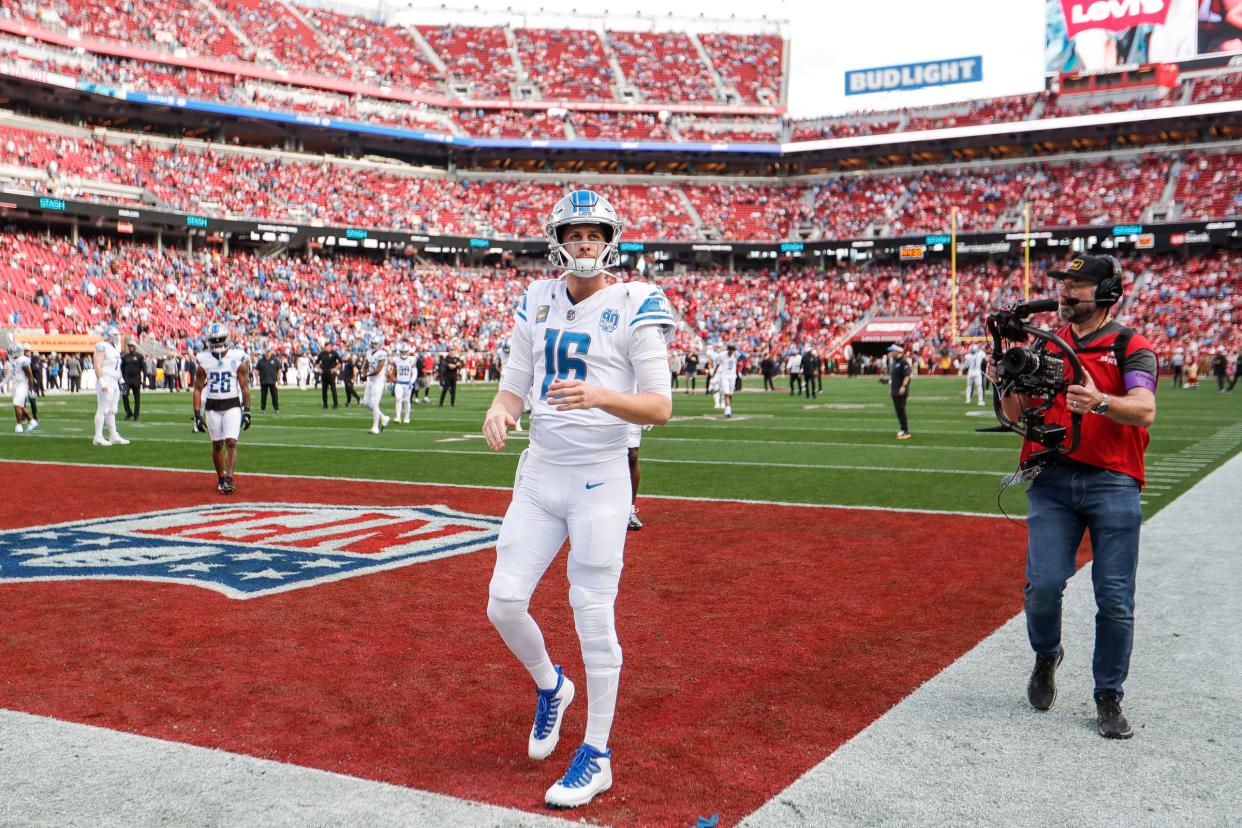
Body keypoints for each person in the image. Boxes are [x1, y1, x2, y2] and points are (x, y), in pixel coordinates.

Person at [481, 189, 674, 809]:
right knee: (504, 603)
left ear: (610, 239)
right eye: (576, 233)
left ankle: (597, 753)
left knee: (594, 617)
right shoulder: (536, 298)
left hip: (598, 475)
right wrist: (499, 410)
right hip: (540, 474)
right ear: (558, 239)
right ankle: (551, 686)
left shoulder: (636, 299)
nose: (585, 243)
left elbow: (660, 406)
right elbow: (516, 384)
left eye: (595, 233)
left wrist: (599, 398)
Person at [989, 254, 1157, 740]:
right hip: (1052, 479)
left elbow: (1144, 411)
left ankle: (1108, 694)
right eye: (1064, 283)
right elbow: (1012, 411)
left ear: (1107, 291)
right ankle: (1047, 655)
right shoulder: (1045, 344)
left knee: (1115, 598)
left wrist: (1101, 402)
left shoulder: (1131, 345)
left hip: (1114, 480)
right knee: (1041, 584)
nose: (1066, 292)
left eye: (1079, 285)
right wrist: (1006, 375)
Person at [192, 322, 251, 494]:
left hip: (232, 403)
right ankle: (221, 478)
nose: (217, 343)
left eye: (220, 339)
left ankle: (229, 478)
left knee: (231, 442)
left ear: (227, 339)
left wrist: (247, 410)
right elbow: (197, 388)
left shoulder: (237, 357)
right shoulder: (204, 359)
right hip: (212, 405)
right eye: (214, 340)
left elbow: (244, 387)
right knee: (217, 445)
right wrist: (197, 413)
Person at [92, 325, 128, 446]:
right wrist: (101, 380)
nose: (117, 337)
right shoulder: (102, 346)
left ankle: (113, 435)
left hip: (114, 381)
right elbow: (97, 364)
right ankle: (98, 436)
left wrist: (121, 380)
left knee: (113, 410)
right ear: (108, 336)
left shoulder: (114, 349)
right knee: (103, 409)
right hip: (106, 379)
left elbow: (116, 368)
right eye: (114, 335)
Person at [361, 336, 391, 434]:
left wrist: (367, 374)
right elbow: (366, 364)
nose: (373, 345)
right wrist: (363, 372)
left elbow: (378, 370)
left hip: (378, 380)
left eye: (375, 343)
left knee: (374, 403)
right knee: (366, 403)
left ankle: (375, 427)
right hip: (371, 379)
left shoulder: (382, 353)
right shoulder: (369, 352)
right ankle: (383, 417)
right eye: (372, 343)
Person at [8, 342, 35, 433]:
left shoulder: (23, 360)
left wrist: (31, 388)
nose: (12, 352)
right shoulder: (15, 360)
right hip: (16, 384)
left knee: (17, 403)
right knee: (21, 406)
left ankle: (19, 424)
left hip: (22, 384)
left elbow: (30, 375)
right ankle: (32, 421)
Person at [888, 343, 912, 439]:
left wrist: (903, 386)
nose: (891, 352)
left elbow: (907, 375)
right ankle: (902, 428)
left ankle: (905, 430)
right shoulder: (894, 361)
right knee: (898, 411)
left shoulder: (903, 362)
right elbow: (894, 377)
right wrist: (891, 388)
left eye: (892, 350)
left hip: (901, 391)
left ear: (898, 351)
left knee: (901, 411)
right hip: (895, 390)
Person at [392, 342, 417, 423]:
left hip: (407, 383)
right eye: (402, 352)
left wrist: (412, 382)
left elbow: (415, 372)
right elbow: (393, 371)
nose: (403, 353)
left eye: (405, 351)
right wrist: (392, 381)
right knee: (398, 399)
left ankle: (407, 417)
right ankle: (398, 417)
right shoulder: (396, 359)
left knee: (407, 400)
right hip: (399, 382)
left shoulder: (411, 359)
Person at [120, 339, 145, 421]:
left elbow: (144, 368)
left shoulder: (139, 356)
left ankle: (136, 415)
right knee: (124, 395)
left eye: (131, 346)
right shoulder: (125, 357)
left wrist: (144, 379)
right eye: (129, 346)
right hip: (127, 380)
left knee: (137, 398)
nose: (130, 348)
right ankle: (128, 412)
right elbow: (122, 369)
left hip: (136, 380)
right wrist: (122, 379)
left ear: (135, 347)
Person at [714, 344, 739, 418]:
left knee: (730, 394)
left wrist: (738, 349)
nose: (731, 352)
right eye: (731, 350)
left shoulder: (735, 354)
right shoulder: (722, 355)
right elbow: (717, 364)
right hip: (725, 375)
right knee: (726, 393)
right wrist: (714, 374)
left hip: (733, 375)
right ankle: (728, 411)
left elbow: (745, 356)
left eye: (733, 350)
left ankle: (727, 408)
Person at [256, 347, 281, 414]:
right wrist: (257, 380)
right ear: (264, 352)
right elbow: (256, 370)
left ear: (271, 352)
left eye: (269, 352)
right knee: (263, 396)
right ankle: (263, 409)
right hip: (263, 381)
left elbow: (279, 369)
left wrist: (279, 379)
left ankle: (276, 409)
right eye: (266, 352)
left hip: (273, 381)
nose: (267, 353)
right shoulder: (260, 361)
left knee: (275, 396)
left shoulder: (275, 360)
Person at [317, 344, 341, 408]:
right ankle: (325, 404)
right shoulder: (322, 354)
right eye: (328, 346)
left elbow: (340, 362)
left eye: (330, 346)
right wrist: (319, 369)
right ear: (325, 347)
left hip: (331, 374)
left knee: (333, 389)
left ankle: (335, 404)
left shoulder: (334, 353)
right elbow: (317, 362)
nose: (329, 347)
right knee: (324, 389)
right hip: (324, 373)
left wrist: (335, 369)